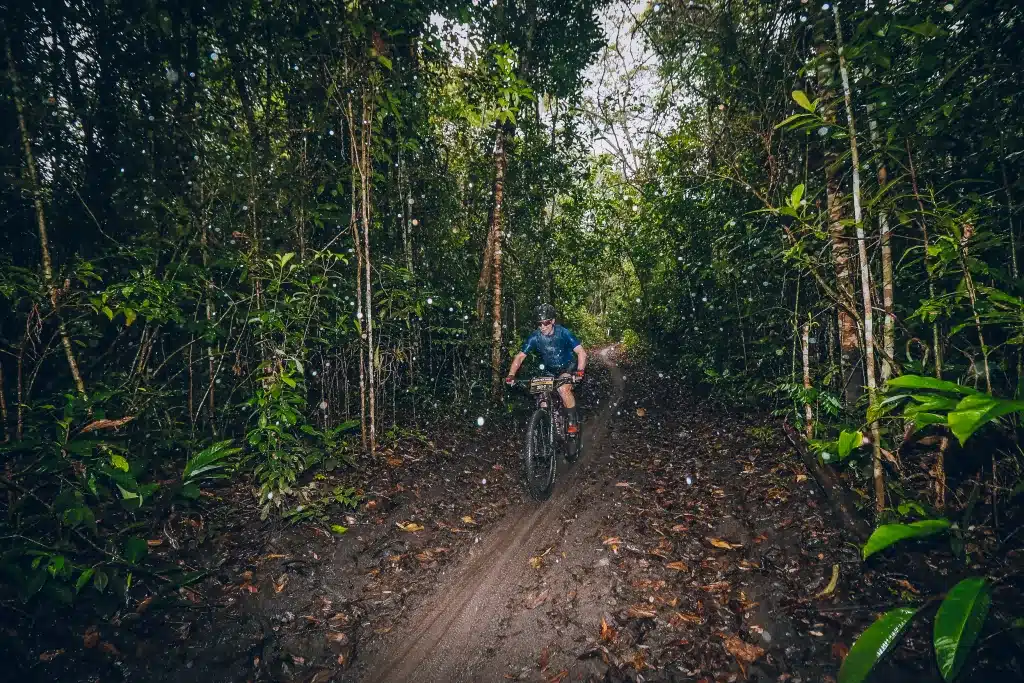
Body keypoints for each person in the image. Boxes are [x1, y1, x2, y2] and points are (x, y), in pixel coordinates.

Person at [505, 304, 587, 435]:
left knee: (563, 389)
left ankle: (572, 421)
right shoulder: (535, 337)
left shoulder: (563, 333)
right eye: (539, 324)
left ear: (553, 321)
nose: (542, 327)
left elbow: (581, 353)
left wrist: (580, 371)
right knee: (542, 398)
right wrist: (511, 374)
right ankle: (548, 430)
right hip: (548, 370)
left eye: (546, 322)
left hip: (567, 366)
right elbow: (520, 356)